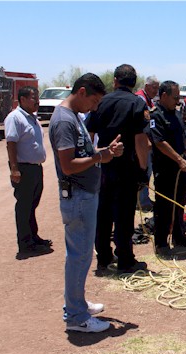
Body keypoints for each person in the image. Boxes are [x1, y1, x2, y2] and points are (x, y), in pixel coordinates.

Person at [49, 73, 124, 332]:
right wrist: (98, 157)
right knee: (79, 256)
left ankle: (78, 304)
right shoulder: (63, 121)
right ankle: (77, 318)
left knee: (81, 256)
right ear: (81, 92)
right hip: (78, 197)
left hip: (85, 195)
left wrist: (104, 154)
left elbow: (83, 153)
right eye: (93, 101)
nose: (94, 107)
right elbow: (68, 166)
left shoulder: (74, 118)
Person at [86, 64, 151, 273]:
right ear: (134, 82)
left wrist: (92, 157)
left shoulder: (101, 101)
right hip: (127, 168)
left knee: (102, 213)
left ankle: (103, 258)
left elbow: (89, 134)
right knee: (124, 215)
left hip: (102, 166)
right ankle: (125, 260)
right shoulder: (137, 104)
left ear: (115, 80)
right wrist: (143, 171)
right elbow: (142, 141)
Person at [145, 81, 186, 254]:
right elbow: (159, 142)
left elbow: (183, 139)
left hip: (181, 168)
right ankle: (161, 243)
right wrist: (179, 160)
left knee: (180, 202)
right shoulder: (155, 116)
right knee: (164, 206)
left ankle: (179, 236)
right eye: (175, 97)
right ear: (163, 96)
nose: (178, 101)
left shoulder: (176, 114)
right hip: (166, 168)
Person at [4, 86, 53, 260]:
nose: (37, 101)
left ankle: (34, 237)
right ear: (22, 99)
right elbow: (11, 143)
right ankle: (25, 244)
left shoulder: (32, 117)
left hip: (35, 168)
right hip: (23, 169)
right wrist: (14, 169)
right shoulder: (15, 118)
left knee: (32, 205)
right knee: (24, 207)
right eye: (33, 98)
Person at [136, 76, 159, 211]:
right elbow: (142, 123)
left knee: (147, 171)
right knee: (144, 170)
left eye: (157, 88)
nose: (156, 90)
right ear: (146, 86)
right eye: (154, 87)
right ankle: (142, 201)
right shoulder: (141, 99)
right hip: (144, 142)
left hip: (147, 141)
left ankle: (144, 198)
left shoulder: (148, 99)